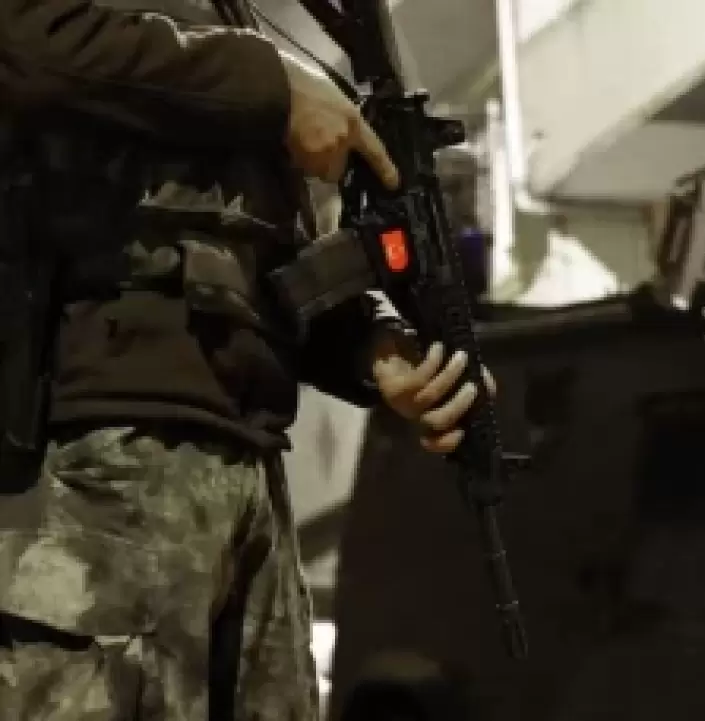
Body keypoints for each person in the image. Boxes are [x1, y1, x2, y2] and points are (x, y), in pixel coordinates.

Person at [0, 0, 491, 718]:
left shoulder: (230, 21)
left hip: (244, 466)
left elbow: (253, 249)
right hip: (92, 457)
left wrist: (371, 345)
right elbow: (26, 40)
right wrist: (271, 85)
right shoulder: (245, 59)